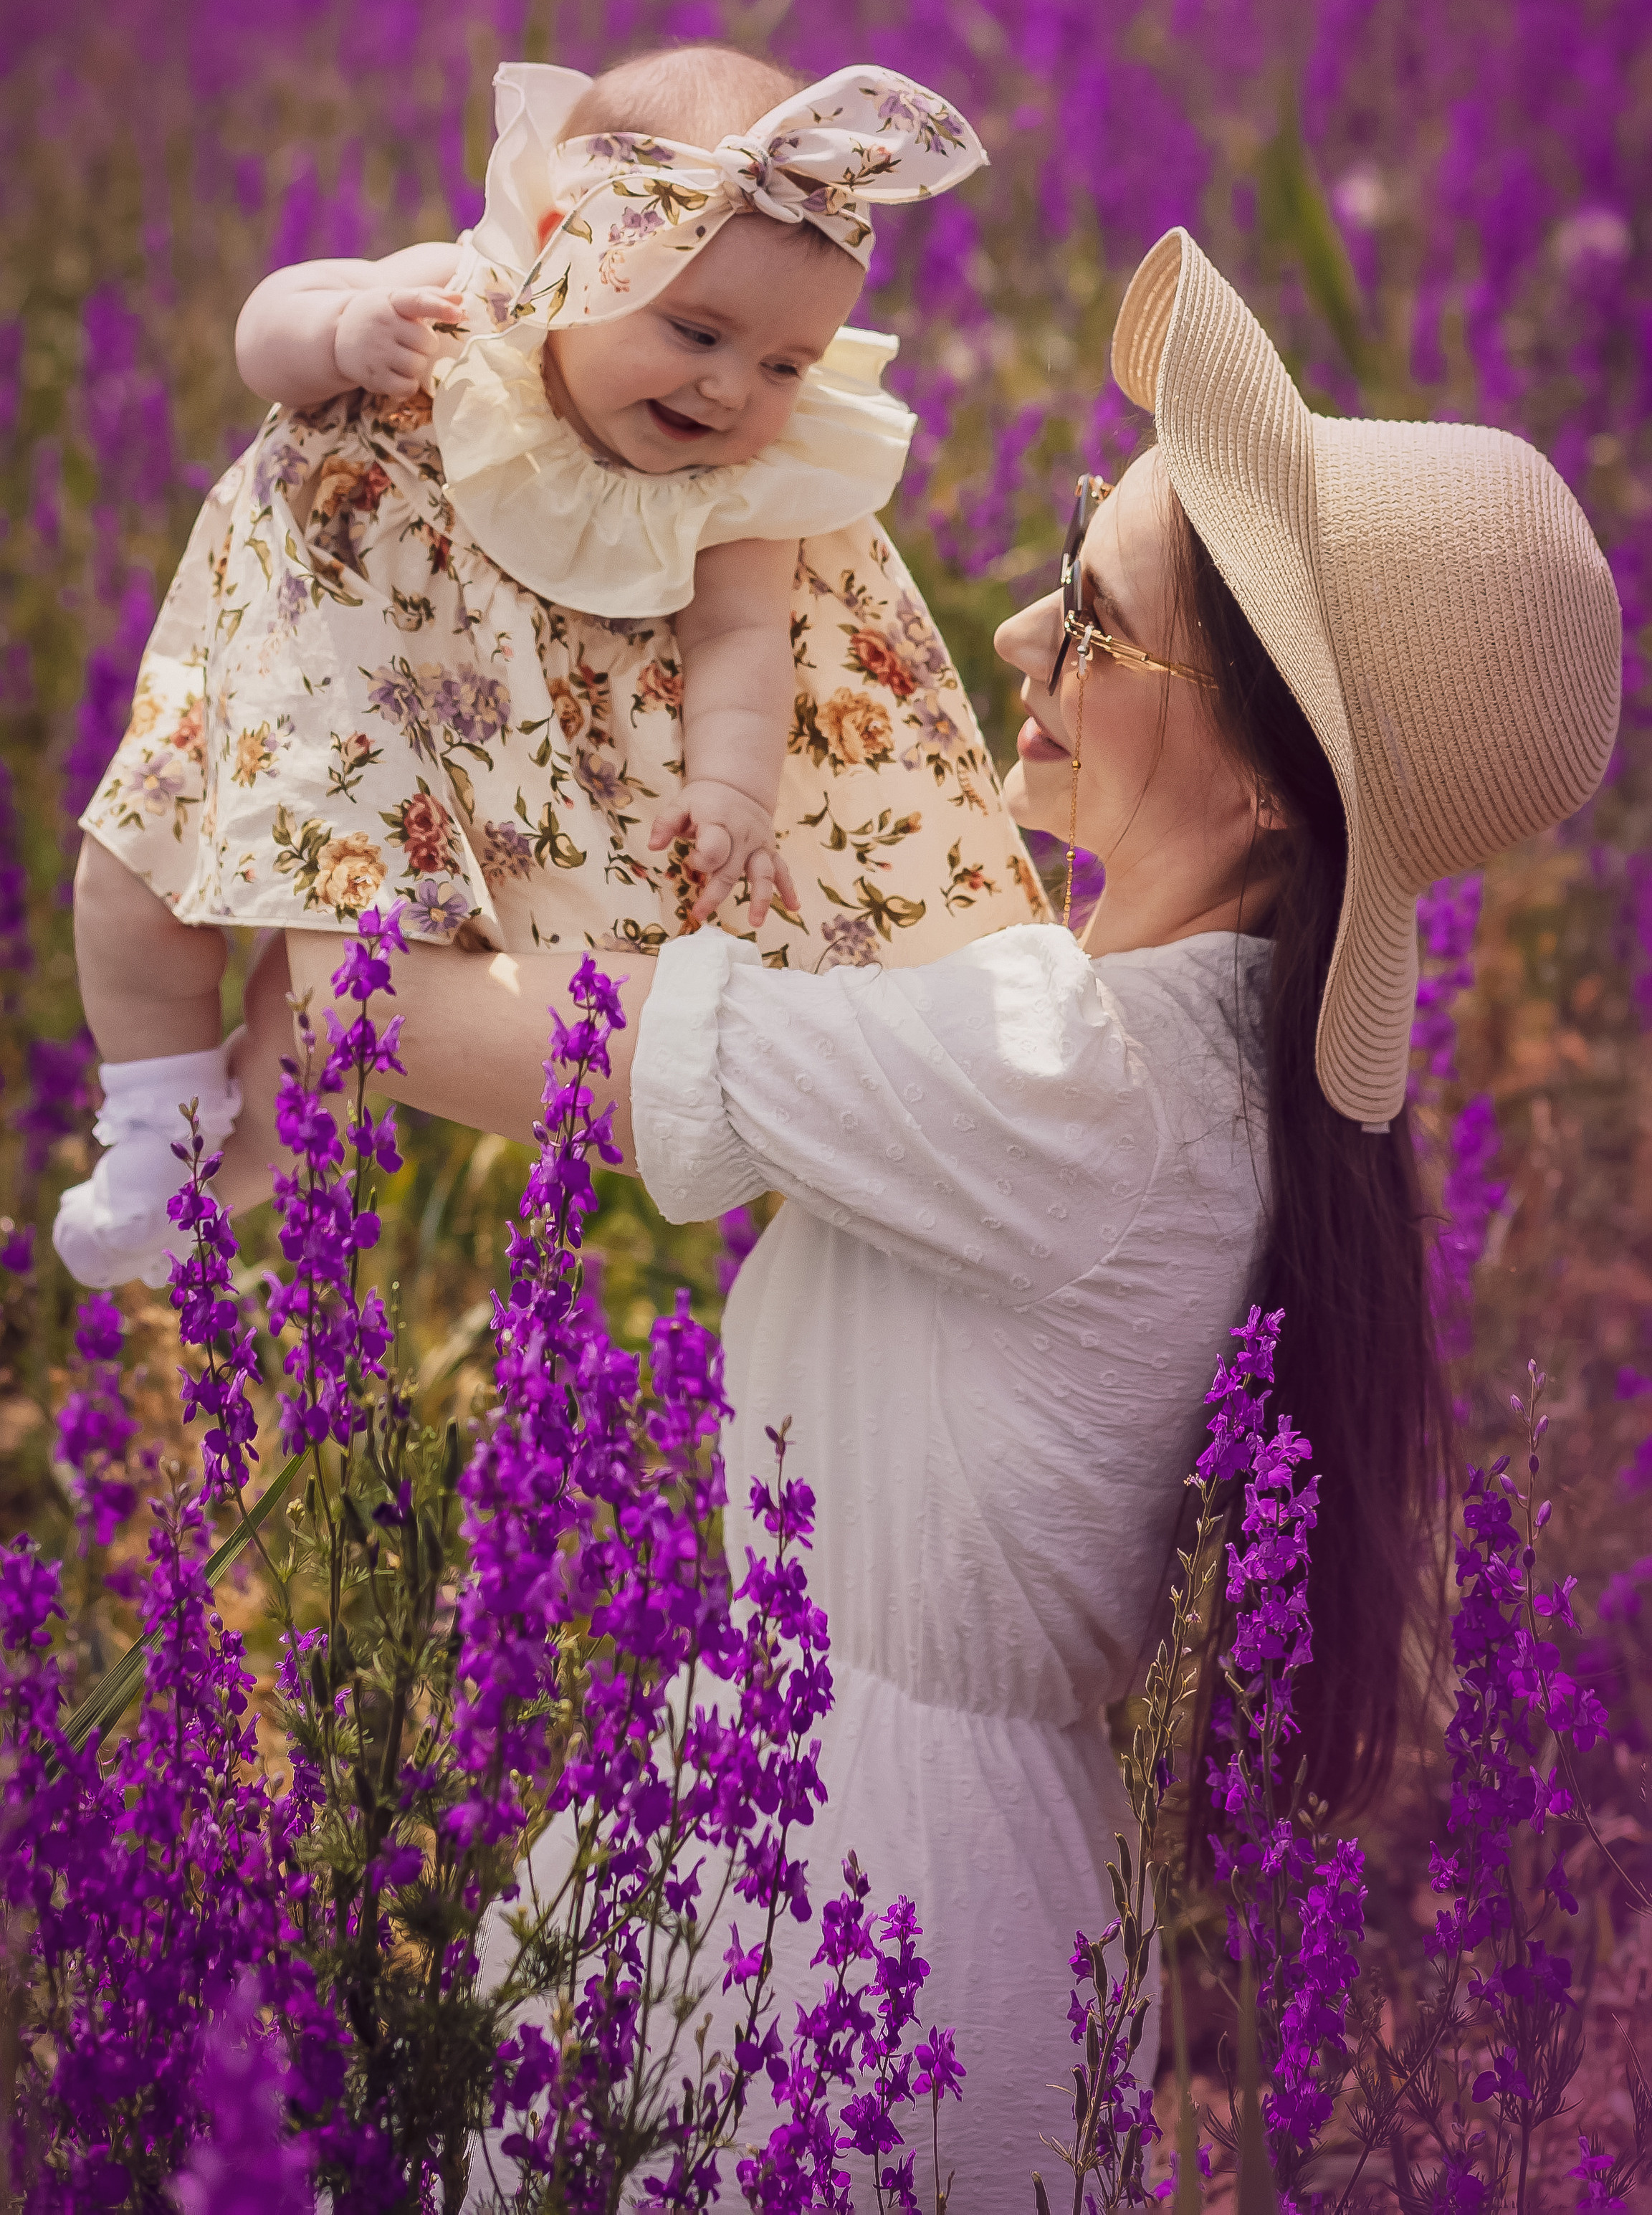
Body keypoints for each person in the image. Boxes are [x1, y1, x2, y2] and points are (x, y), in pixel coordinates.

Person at [219, 225, 1625, 2203]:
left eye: (1098, 625)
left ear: (1268, 793)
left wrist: (302, 642)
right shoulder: (1179, 1046)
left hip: (851, 1927)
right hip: (887, 1851)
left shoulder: (1062, 1073)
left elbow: (407, 1024)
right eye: (1064, 560)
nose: (1024, 638)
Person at [56, 46, 1045, 1291]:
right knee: (131, 878)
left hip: (479, 772)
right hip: (322, 676)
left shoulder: (742, 486)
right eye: (694, 330)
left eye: (784, 366)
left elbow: (741, 638)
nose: (730, 387)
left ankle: (222, 1166)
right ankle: (151, 1113)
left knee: (338, 976)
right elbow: (266, 334)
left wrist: (731, 792)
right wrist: (341, 330)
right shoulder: (448, 301)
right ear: (570, 252)